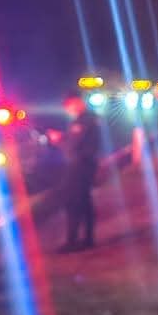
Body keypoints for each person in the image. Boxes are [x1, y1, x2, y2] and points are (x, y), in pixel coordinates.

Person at [58, 92, 100, 251]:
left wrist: (59, 140)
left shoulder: (83, 121)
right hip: (86, 165)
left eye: (68, 106)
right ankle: (88, 239)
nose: (68, 110)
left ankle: (72, 241)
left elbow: (73, 146)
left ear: (76, 103)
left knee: (73, 202)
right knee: (84, 201)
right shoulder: (90, 119)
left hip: (80, 166)